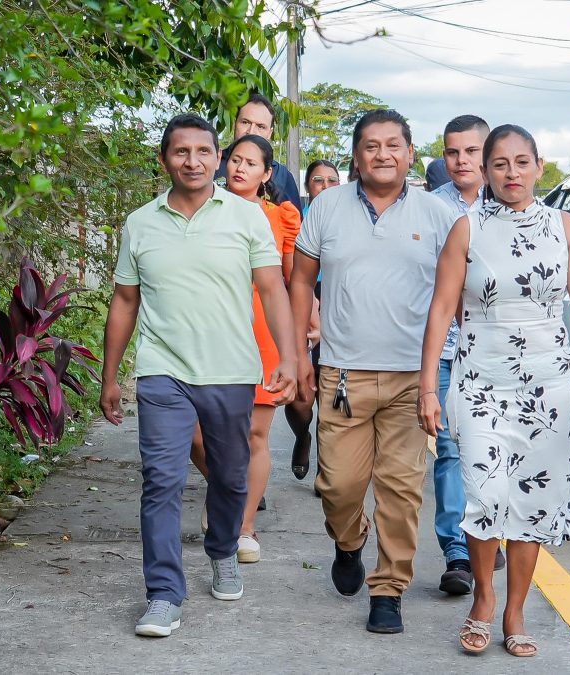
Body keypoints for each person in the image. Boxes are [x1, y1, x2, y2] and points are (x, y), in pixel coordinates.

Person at [417, 124, 570, 656]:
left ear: (538, 166)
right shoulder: (467, 228)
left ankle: (515, 610)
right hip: (481, 379)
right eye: (500, 164)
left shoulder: (564, 225)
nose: (512, 173)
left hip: (548, 382)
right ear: (485, 171)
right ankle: (483, 599)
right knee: (486, 493)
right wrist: (428, 388)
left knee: (532, 498)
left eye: (521, 162)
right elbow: (441, 309)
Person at [101, 114, 297, 639]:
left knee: (231, 477)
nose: (193, 161)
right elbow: (124, 301)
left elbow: (274, 290)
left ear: (217, 157)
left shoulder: (247, 216)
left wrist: (290, 356)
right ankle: (164, 594)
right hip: (163, 371)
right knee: (161, 480)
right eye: (180, 152)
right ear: (165, 159)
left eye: (203, 152)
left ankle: (222, 548)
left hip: (231, 371)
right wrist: (110, 376)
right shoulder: (141, 223)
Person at [290, 109, 455, 634]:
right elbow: (300, 283)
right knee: (338, 486)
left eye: (393, 146)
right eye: (370, 146)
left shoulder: (439, 216)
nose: (382, 155)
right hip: (343, 377)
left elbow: (455, 298)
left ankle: (388, 590)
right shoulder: (326, 207)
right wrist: (299, 357)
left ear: (410, 153)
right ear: (355, 156)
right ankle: (348, 541)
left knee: (402, 490)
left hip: (412, 377)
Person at [189, 134, 301, 564]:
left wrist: (299, 341)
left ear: (267, 174)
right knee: (195, 433)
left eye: (251, 163)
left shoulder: (280, 217)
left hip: (265, 335)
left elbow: (291, 281)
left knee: (255, 435)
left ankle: (244, 525)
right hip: (209, 332)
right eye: (235, 159)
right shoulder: (200, 209)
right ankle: (226, 489)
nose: (240, 168)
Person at [426, 114, 505, 596]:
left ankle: (488, 529)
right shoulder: (429, 208)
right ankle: (457, 548)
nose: (461, 162)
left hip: (501, 353)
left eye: (471, 152)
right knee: (451, 448)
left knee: (493, 448)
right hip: (448, 352)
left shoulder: (514, 205)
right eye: (452, 152)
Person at [286, 160, 338, 480]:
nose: (325, 185)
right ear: (308, 187)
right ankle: (301, 435)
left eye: (332, 180)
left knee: (329, 391)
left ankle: (325, 468)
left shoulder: (348, 223)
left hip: (337, 310)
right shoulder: (295, 221)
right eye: (318, 180)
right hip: (301, 303)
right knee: (302, 397)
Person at [216, 93, 302, 211]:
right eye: (245, 122)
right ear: (235, 124)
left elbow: (295, 226)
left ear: (269, 133)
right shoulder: (213, 162)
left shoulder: (282, 175)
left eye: (260, 126)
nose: (251, 131)